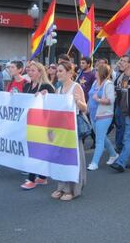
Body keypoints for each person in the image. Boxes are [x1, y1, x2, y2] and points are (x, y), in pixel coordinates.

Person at [51, 61, 87, 201]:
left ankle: (73, 189)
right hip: (61, 128)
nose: (57, 73)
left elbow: (85, 108)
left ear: (69, 73)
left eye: (60, 71)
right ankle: (62, 187)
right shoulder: (58, 89)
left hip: (73, 127)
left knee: (73, 157)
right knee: (61, 158)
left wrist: (78, 101)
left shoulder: (76, 87)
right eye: (57, 71)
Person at [20, 61, 55, 189]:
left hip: (43, 124)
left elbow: (54, 105)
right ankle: (42, 177)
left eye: (33, 70)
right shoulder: (27, 86)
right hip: (30, 122)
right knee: (37, 151)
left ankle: (31, 179)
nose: (30, 72)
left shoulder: (47, 87)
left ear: (40, 72)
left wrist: (46, 96)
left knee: (35, 151)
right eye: (29, 70)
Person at [87, 64, 118, 170]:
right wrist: (86, 109)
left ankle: (94, 163)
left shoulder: (108, 84)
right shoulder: (95, 82)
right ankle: (114, 154)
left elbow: (111, 100)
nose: (94, 72)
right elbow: (90, 97)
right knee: (102, 137)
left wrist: (98, 100)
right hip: (93, 114)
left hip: (104, 115)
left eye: (96, 70)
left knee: (99, 139)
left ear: (101, 72)